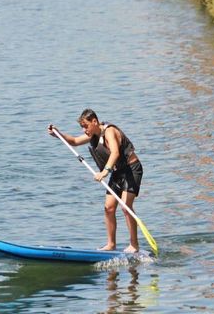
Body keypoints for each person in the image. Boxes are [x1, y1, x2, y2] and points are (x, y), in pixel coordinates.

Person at [48, 108, 143, 253]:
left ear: (94, 121)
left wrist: (105, 172)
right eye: (82, 127)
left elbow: (116, 152)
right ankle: (111, 244)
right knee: (109, 208)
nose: (85, 130)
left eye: (86, 126)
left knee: (125, 206)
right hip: (117, 172)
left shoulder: (109, 131)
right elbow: (73, 141)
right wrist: (58, 134)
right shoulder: (93, 134)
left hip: (131, 169)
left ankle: (134, 245)